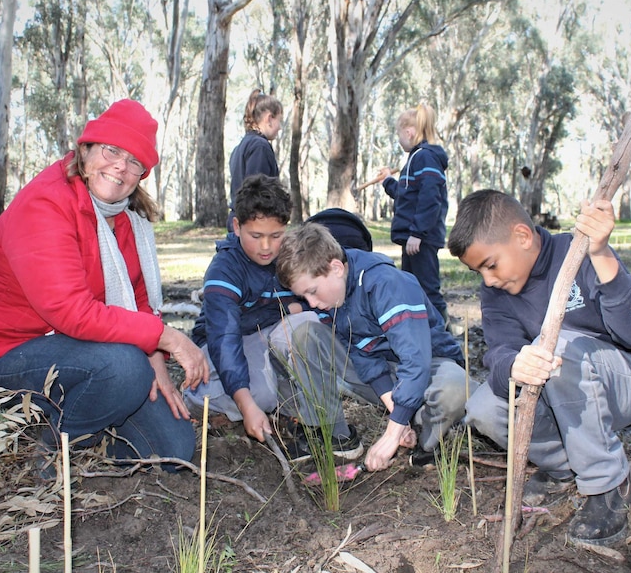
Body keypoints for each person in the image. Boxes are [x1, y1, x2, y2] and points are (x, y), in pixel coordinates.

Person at [0, 99, 209, 470]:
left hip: (86, 352)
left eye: (135, 162)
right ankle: (59, 450)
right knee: (126, 368)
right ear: (86, 148)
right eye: (112, 150)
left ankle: (91, 428)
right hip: (13, 355)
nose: (120, 167)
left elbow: (140, 297)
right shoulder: (45, 203)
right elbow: (70, 312)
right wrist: (168, 338)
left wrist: (159, 367)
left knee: (175, 449)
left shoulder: (124, 217)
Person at [447, 189, 631, 546]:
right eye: (478, 272)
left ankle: (607, 487)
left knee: (558, 347)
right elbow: (500, 352)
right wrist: (516, 365)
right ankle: (563, 467)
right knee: (484, 407)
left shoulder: (579, 253)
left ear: (522, 236)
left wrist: (601, 253)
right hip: (561, 385)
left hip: (626, 383)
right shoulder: (497, 292)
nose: (487, 280)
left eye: (490, 264)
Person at [185, 174, 363, 461]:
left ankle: (327, 428)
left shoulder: (290, 256)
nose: (266, 247)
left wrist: (292, 309)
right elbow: (224, 339)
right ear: (236, 226)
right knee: (257, 397)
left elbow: (319, 304)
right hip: (229, 346)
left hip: (269, 339)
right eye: (256, 236)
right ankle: (205, 403)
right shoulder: (225, 269)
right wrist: (246, 406)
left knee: (306, 326)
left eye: (276, 235)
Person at [275, 222, 471, 473]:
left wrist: (392, 433)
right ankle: (337, 437)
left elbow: (416, 362)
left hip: (430, 364)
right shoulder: (333, 296)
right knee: (305, 335)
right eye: (304, 297)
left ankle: (429, 443)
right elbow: (363, 353)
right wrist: (398, 416)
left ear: (335, 267)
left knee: (454, 388)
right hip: (388, 375)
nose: (311, 303)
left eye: (312, 291)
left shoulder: (385, 283)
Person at [377, 102, 450, 323]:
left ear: (409, 132)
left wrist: (418, 233)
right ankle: (423, 328)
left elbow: (430, 197)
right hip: (413, 238)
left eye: (399, 135)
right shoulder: (416, 159)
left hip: (421, 239)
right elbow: (406, 195)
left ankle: (442, 333)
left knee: (427, 287)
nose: (399, 141)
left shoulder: (424, 157)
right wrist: (387, 181)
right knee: (412, 285)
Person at [228, 89, 283, 232]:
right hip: (252, 227)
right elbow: (257, 194)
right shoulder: (260, 147)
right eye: (279, 121)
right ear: (269, 119)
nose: (280, 127)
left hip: (241, 224)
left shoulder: (240, 147)